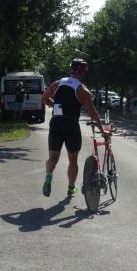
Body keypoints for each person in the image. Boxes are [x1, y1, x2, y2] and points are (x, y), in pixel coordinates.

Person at [40, 59, 107, 198]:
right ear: (82, 72)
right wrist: (102, 130)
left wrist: (55, 106)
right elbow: (93, 113)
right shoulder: (83, 89)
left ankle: (48, 176)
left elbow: (44, 99)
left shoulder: (57, 83)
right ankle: (71, 188)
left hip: (56, 123)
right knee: (73, 160)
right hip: (71, 125)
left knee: (52, 159)